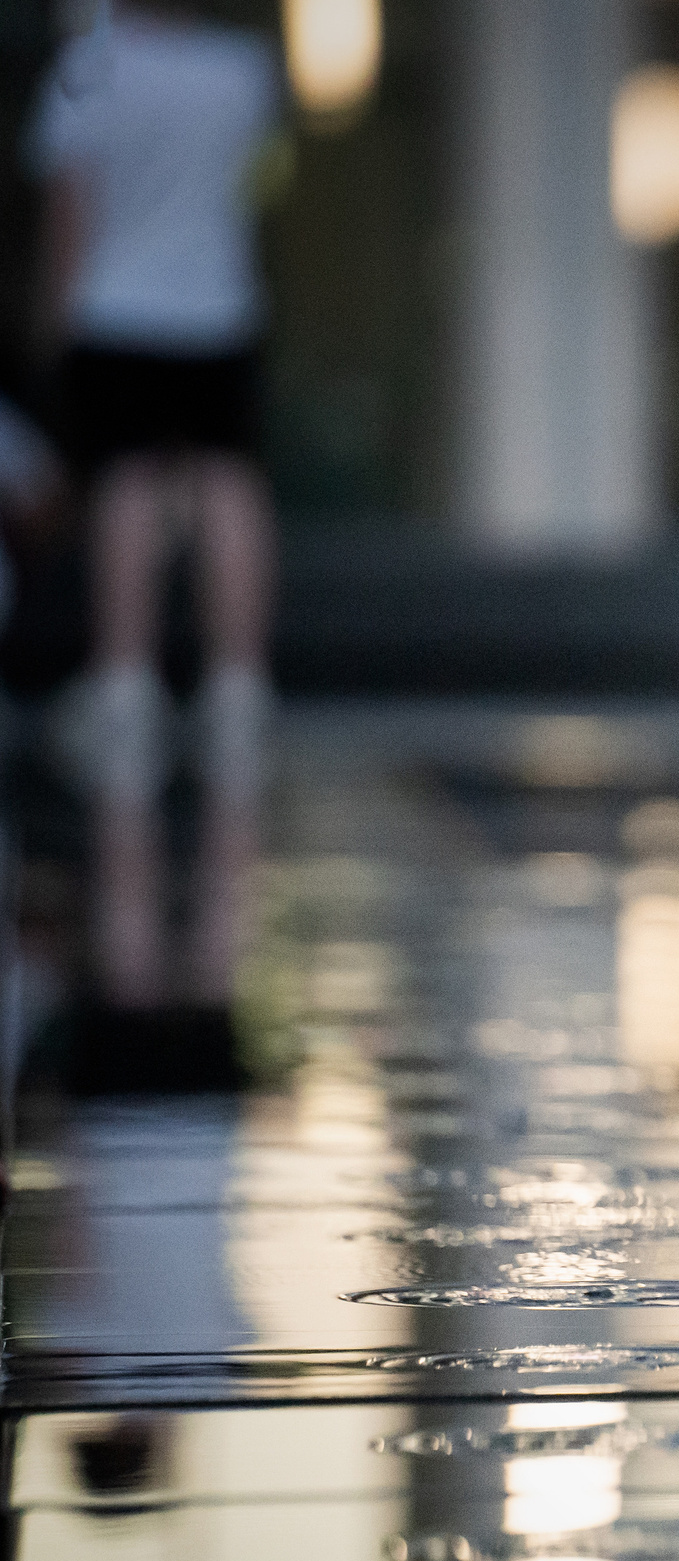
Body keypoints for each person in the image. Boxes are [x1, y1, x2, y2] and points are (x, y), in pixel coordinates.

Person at [26, 0, 282, 1011]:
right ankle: (236, 685)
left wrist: (55, 319)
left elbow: (70, 202)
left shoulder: (89, 68)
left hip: (118, 304)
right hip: (218, 302)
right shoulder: (239, 69)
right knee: (226, 484)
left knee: (129, 484)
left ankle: (127, 680)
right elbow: (249, 187)